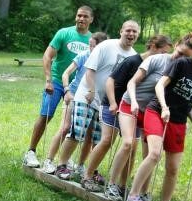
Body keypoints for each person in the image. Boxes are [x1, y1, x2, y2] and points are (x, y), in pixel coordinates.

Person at [126, 33, 192, 201]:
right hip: (156, 113)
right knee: (154, 154)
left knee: (173, 168)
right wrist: (163, 107)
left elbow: (190, 101)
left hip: (178, 121)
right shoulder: (181, 64)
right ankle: (134, 196)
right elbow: (160, 85)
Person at [106, 35, 192, 201]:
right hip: (130, 105)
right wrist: (133, 101)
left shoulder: (183, 70)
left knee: (150, 154)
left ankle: (142, 192)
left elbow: (186, 98)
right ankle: (111, 184)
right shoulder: (156, 60)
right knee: (127, 144)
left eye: (187, 57)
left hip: (150, 111)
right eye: (180, 53)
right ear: (175, 45)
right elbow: (132, 82)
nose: (182, 58)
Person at [56, 20, 139, 181]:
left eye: (134, 32)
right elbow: (90, 69)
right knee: (77, 132)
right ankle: (62, 165)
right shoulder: (106, 46)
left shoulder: (133, 56)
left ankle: (91, 170)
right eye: (128, 30)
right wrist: (92, 90)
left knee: (98, 139)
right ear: (121, 31)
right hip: (86, 96)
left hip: (106, 103)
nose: (131, 34)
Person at [23, 6, 94, 168]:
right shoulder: (64, 33)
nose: (81, 19)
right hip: (56, 81)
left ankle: (64, 157)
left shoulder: (92, 39)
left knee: (73, 123)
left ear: (91, 20)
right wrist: (48, 79)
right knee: (46, 114)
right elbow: (47, 55)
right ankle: (31, 152)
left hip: (77, 87)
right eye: (79, 16)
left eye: (85, 16)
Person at [42, 32, 108, 174]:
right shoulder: (84, 55)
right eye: (89, 45)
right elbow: (66, 73)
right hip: (73, 95)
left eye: (93, 46)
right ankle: (49, 160)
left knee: (89, 135)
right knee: (66, 128)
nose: (90, 48)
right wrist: (67, 91)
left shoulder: (105, 59)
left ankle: (80, 165)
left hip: (92, 100)